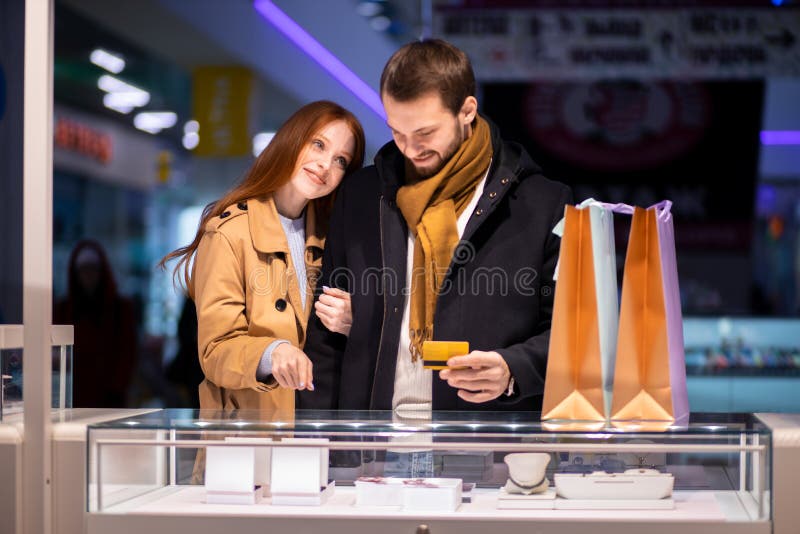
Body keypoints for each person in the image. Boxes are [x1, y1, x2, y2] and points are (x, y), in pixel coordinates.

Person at [300, 40, 572, 413]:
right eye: (397, 132)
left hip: (486, 444)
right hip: (374, 440)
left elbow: (573, 330)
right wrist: (322, 444)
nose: (411, 150)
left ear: (467, 111)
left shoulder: (542, 204)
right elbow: (325, 339)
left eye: (425, 133)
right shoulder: (363, 197)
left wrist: (514, 369)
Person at [160, 100, 365, 413]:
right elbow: (215, 350)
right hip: (247, 434)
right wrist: (273, 352)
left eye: (341, 160)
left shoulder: (334, 237)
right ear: (292, 139)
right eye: (318, 145)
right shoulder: (229, 231)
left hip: (317, 430)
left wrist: (357, 321)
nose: (325, 164)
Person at [55, 239, 137, 407]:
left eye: (92, 269)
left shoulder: (120, 309)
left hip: (110, 398)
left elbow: (128, 352)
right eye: (83, 270)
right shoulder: (63, 310)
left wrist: (117, 388)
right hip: (74, 395)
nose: (88, 276)